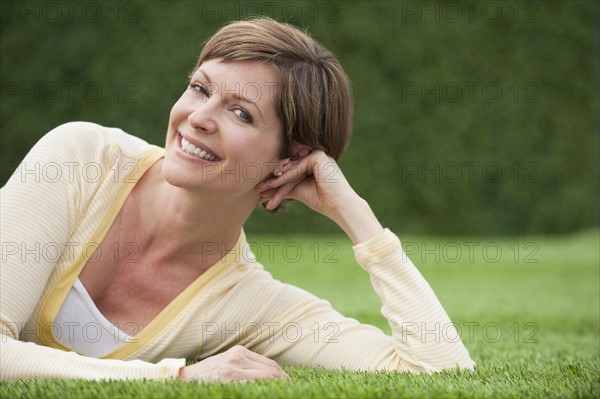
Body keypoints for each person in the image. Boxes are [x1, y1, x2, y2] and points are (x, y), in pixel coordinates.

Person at [0, 17, 475, 381]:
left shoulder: (248, 303)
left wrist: (357, 215)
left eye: (242, 114)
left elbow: (441, 372)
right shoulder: (79, 158)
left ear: (290, 158)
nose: (199, 118)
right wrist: (178, 377)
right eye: (199, 88)